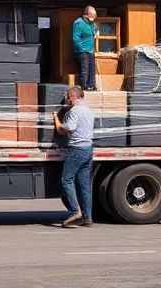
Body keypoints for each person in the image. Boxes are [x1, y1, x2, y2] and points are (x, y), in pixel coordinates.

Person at [53, 85, 94, 227]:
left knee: (66, 180)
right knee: (84, 185)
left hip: (77, 150)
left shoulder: (74, 111)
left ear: (72, 97)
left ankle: (75, 211)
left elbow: (67, 128)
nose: (66, 100)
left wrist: (56, 119)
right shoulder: (89, 110)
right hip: (88, 149)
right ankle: (88, 217)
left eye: (67, 97)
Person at [72, 5, 97, 91]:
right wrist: (81, 49)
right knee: (85, 69)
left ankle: (92, 85)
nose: (92, 20)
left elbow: (95, 30)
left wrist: (96, 32)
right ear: (85, 15)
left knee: (92, 69)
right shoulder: (78, 23)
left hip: (91, 50)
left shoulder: (92, 24)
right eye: (91, 17)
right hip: (82, 51)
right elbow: (76, 38)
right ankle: (84, 86)